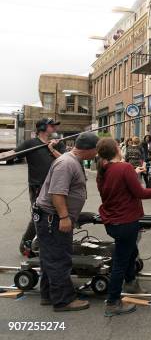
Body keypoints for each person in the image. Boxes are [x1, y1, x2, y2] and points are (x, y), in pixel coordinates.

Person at [95, 138, 151, 316]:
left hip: (112, 221)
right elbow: (140, 193)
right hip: (126, 222)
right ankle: (112, 303)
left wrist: (133, 173)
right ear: (116, 149)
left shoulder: (104, 170)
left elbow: (117, 188)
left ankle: (131, 282)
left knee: (130, 252)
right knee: (120, 262)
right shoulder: (124, 168)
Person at [34, 132, 99, 311]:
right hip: (53, 218)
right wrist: (64, 217)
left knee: (50, 258)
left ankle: (48, 295)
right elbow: (57, 193)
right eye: (96, 150)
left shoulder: (69, 159)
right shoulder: (67, 163)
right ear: (89, 150)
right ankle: (63, 300)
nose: (97, 154)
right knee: (59, 259)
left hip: (51, 217)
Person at [13, 118, 65, 255]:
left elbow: (66, 162)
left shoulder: (57, 144)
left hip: (56, 186)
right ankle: (26, 244)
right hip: (38, 186)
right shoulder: (30, 144)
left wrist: (52, 149)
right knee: (39, 215)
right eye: (51, 125)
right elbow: (12, 155)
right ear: (42, 127)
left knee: (57, 215)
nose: (54, 127)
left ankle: (51, 244)